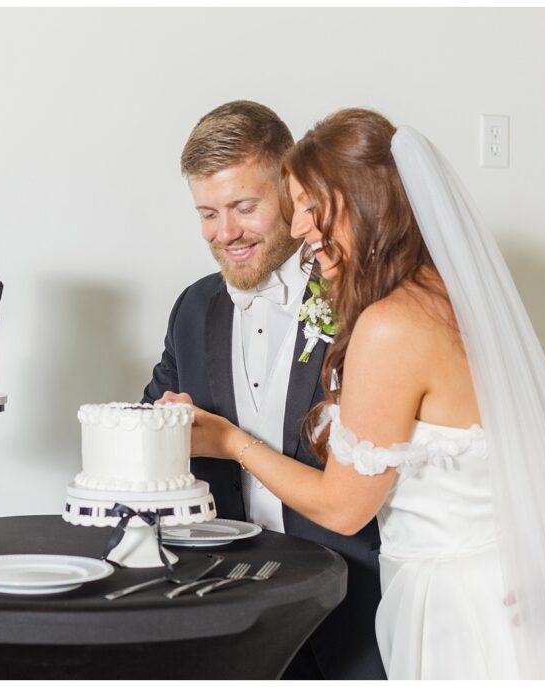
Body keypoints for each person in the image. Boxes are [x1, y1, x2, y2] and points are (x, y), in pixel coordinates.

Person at [157, 108, 545, 679]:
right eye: (207, 212)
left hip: (454, 604)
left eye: (310, 207)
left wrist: (232, 441)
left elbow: (343, 506)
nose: (303, 228)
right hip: (482, 582)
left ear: (363, 200)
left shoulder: (388, 325)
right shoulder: (442, 297)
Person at [142, 101, 387, 680]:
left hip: (353, 611)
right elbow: (153, 419)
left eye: (243, 207)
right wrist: (163, 424)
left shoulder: (358, 296)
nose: (225, 233)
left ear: (290, 191)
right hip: (224, 612)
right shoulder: (193, 306)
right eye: (207, 213)